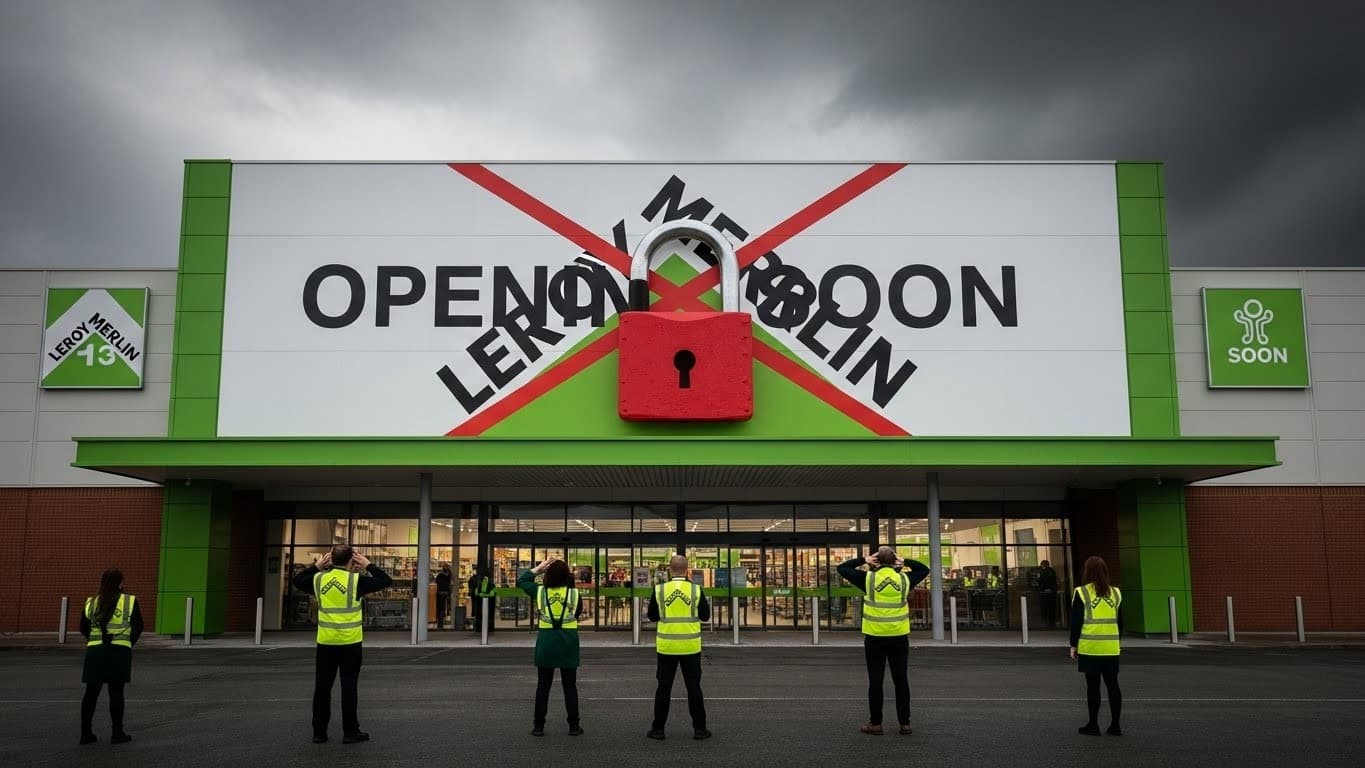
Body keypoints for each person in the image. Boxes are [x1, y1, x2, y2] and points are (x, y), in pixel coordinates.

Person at [293, 544, 393, 744]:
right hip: (350, 642)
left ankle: (319, 733)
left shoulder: (319, 579)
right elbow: (386, 581)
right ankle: (350, 731)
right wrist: (368, 565)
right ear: (352, 560)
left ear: (330, 559)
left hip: (326, 642)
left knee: (322, 688)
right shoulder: (356, 581)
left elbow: (297, 581)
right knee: (349, 688)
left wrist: (317, 566)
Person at [838, 547, 930, 735]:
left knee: (876, 680)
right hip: (899, 636)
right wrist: (905, 563)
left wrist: (864, 560)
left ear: (876, 561)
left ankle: (876, 723)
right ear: (894, 560)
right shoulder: (905, 580)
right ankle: (905, 723)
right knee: (901, 679)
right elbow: (923, 570)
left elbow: (843, 568)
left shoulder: (868, 580)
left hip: (875, 637)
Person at [646, 554, 710, 741]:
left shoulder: (659, 590)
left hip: (666, 646)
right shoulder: (696, 590)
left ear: (670, 569)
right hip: (690, 645)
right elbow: (705, 616)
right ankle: (700, 729)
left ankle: (658, 729)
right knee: (693, 688)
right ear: (687, 569)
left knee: (663, 688)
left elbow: (652, 617)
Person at [519, 558, 585, 737]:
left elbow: (522, 581)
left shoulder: (540, 592)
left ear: (547, 575)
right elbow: (577, 613)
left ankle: (538, 726)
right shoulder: (574, 594)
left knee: (543, 686)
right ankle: (573, 726)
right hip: (568, 641)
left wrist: (538, 569)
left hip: (546, 641)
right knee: (570, 686)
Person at [79, 568, 143, 745]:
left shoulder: (91, 602)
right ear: (121, 583)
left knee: (90, 693)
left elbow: (83, 627)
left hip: (94, 651)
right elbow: (138, 625)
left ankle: (86, 733)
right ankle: (117, 733)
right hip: (118, 651)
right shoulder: (129, 601)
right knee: (116, 692)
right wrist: (128, 641)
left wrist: (94, 640)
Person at [1069, 555, 1123, 737]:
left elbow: (1076, 622)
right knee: (1113, 686)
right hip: (1111, 648)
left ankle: (1093, 725)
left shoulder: (1082, 593)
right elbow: (1119, 622)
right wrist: (1116, 642)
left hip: (1090, 647)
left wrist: (1073, 645)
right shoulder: (1115, 593)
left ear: (1087, 572)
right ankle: (1115, 725)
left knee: (1093, 687)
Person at [470, 566, 495, 633]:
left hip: (481, 602)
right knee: (485, 615)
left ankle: (481, 628)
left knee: (480, 615)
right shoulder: (489, 583)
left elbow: (475, 592)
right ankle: (486, 628)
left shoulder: (478, 582)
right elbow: (492, 593)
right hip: (485, 602)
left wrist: (480, 594)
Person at [1036, 560, 1059, 629]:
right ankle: (1052, 622)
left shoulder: (1042, 572)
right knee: (1052, 608)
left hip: (1045, 593)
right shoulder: (1052, 571)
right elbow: (1055, 581)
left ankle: (1046, 623)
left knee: (1045, 608)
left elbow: (1041, 581)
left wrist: (1038, 579)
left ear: (1043, 565)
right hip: (1052, 593)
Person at [435, 565, 452, 630]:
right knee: (445, 607)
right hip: (446, 593)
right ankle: (443, 618)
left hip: (440, 593)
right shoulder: (448, 576)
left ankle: (440, 621)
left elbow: (436, 582)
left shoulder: (439, 575)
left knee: (440, 608)